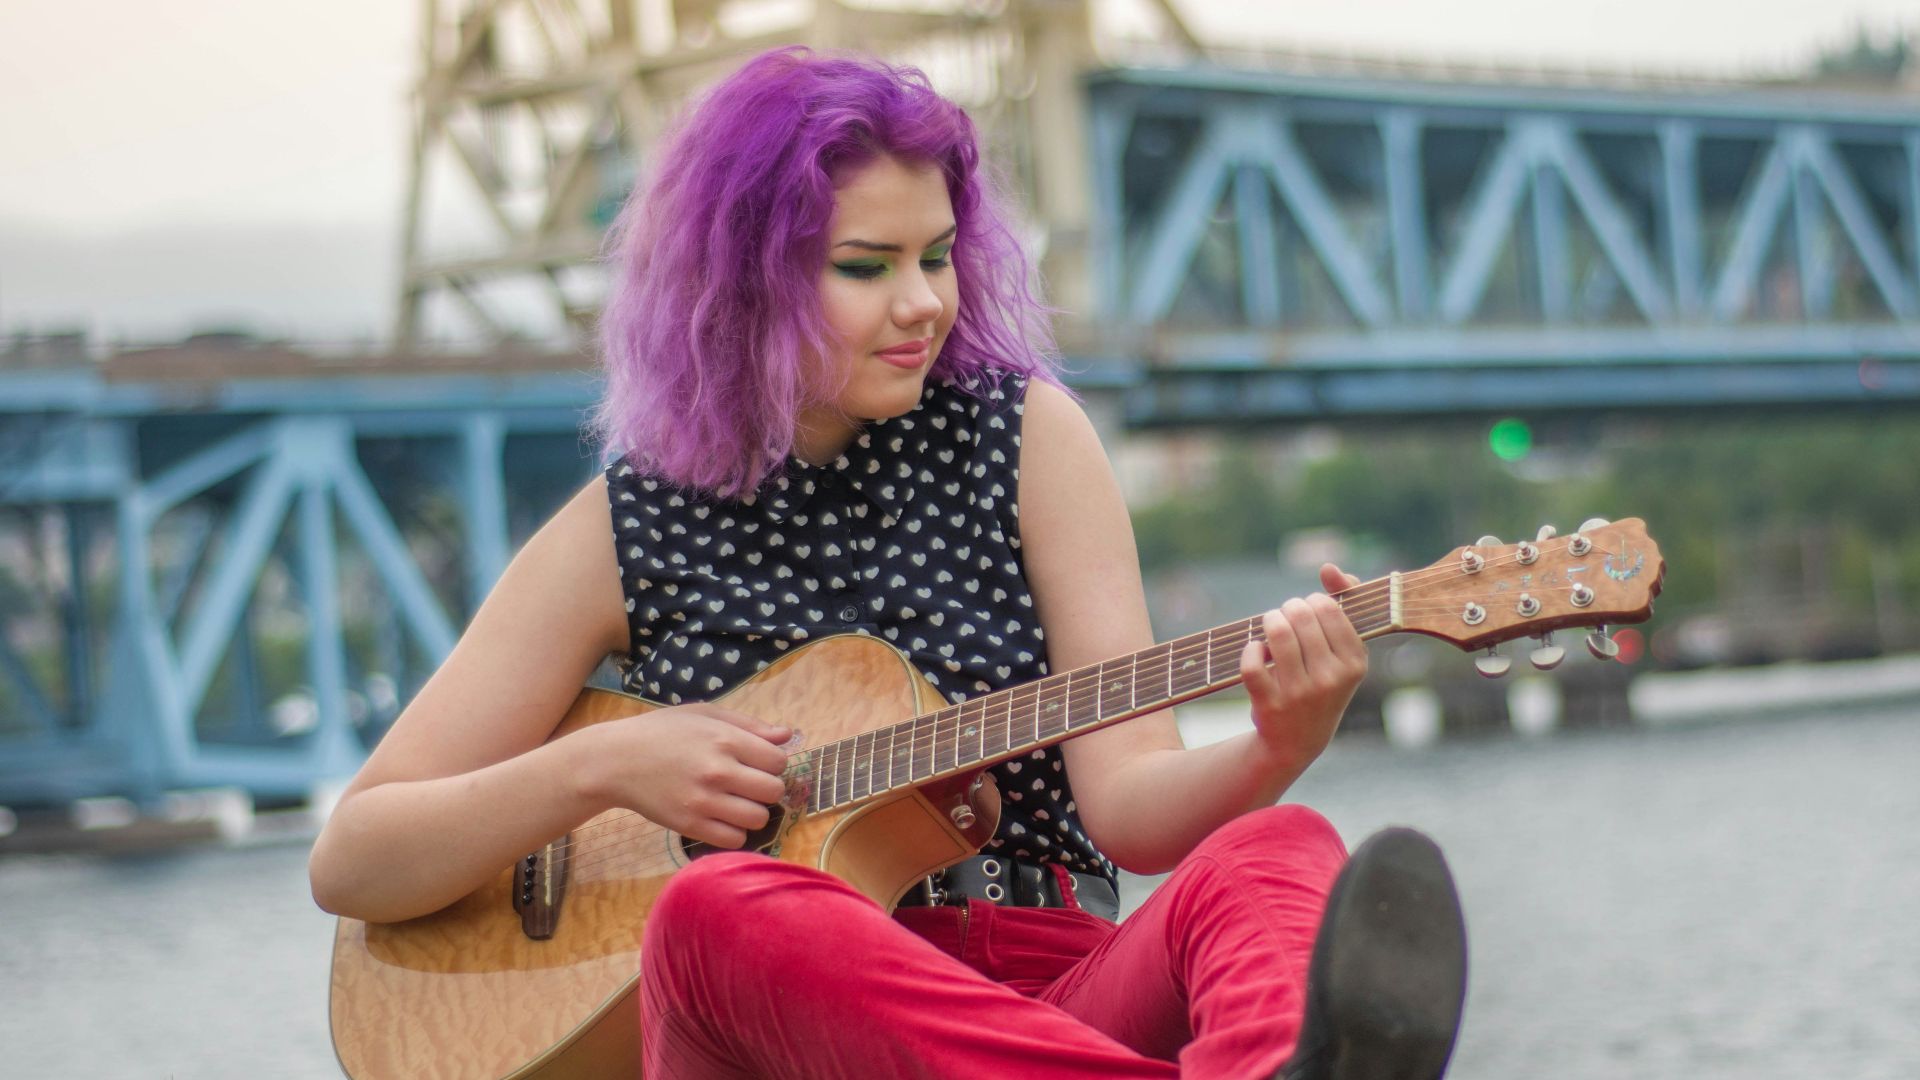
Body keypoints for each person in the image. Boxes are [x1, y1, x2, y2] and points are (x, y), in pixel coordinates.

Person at [308, 47, 1467, 1080]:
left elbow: (1130, 811)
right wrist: (604, 766)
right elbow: (356, 858)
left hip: (1059, 996)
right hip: (787, 1039)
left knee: (1277, 849)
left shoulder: (1026, 439)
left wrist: (1278, 743)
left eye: (939, 256)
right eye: (867, 266)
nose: (922, 304)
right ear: (745, 280)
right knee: (715, 910)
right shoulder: (627, 527)